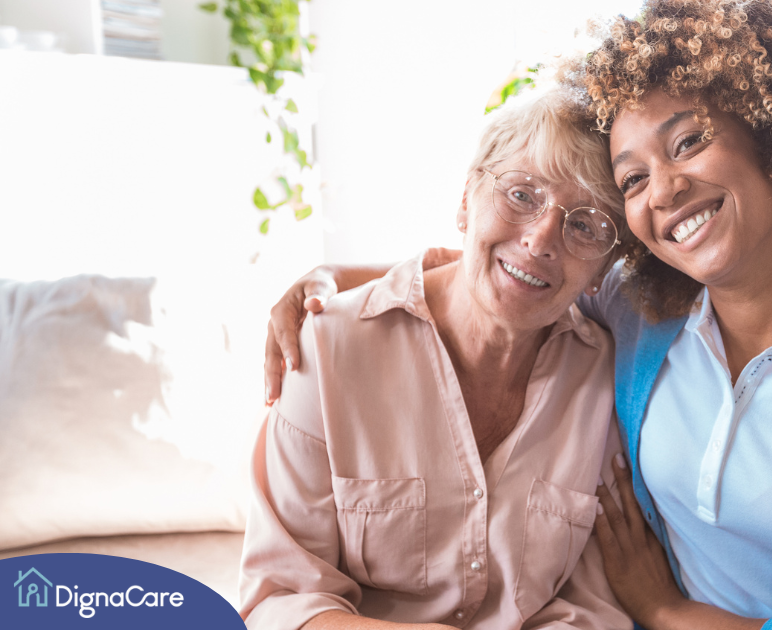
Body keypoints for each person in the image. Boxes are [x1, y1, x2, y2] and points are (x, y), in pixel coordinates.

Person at [264, 1, 772, 628]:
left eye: (689, 141)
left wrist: (665, 611)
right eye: (632, 178)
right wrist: (330, 280)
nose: (664, 190)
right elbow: (504, 267)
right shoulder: (644, 310)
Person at [240, 87, 635, 630]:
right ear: (467, 198)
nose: (542, 240)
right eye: (522, 194)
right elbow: (280, 601)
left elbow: (591, 607)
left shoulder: (605, 378)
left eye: (585, 225)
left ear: (604, 268)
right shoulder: (329, 350)